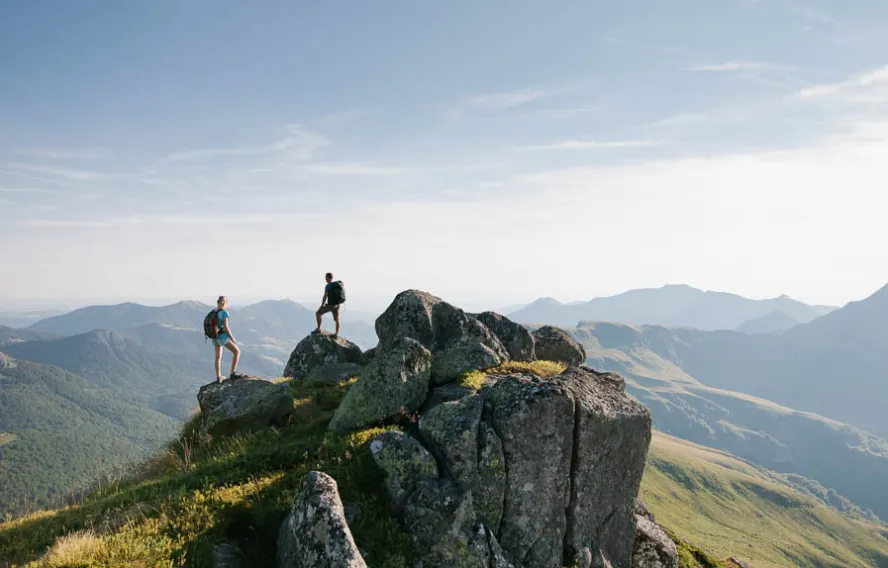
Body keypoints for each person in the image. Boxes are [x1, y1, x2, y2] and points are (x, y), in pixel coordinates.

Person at [213, 296, 244, 382]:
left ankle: (219, 377)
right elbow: (226, 328)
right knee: (237, 352)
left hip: (214, 337)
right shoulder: (224, 313)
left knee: (218, 357)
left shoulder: (214, 312)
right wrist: (232, 338)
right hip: (222, 337)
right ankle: (233, 373)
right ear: (225, 303)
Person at [315, 272, 341, 337]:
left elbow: (325, 296)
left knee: (318, 313)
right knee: (337, 319)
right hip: (337, 305)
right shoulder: (337, 285)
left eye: (326, 278)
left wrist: (322, 304)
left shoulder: (328, 286)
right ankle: (336, 334)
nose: (325, 279)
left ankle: (318, 329)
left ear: (329, 278)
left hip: (331, 305)